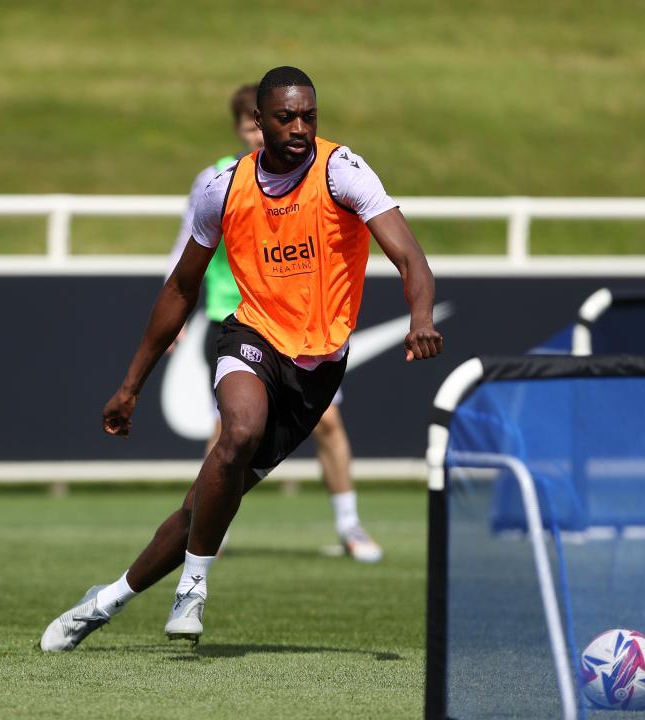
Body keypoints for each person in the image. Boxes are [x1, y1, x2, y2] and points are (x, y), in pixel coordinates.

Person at [40, 66, 442, 651]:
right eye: (286, 117)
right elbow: (180, 286)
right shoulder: (222, 187)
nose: (300, 128)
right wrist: (131, 385)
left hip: (318, 368)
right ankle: (193, 587)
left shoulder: (343, 171)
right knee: (239, 432)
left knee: (199, 508)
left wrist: (422, 318)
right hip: (250, 334)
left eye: (309, 115)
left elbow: (411, 258)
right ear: (258, 122)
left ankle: (104, 600)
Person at [166, 83, 382, 562]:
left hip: (302, 324)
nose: (255, 134)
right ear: (248, 126)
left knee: (327, 422)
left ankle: (350, 526)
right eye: (247, 125)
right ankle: (209, 528)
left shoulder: (316, 174)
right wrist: (174, 321)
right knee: (228, 429)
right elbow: (186, 251)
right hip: (235, 317)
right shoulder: (219, 180)